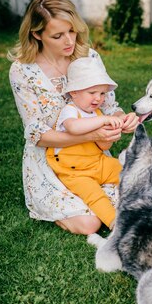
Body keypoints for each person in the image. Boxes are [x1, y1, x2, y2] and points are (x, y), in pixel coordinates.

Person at [8, 0, 138, 235]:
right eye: (57, 36)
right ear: (37, 34)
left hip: (93, 157)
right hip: (50, 159)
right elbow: (38, 135)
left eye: (72, 31)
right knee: (90, 224)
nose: (69, 41)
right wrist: (92, 134)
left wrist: (123, 120)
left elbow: (110, 107)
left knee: (135, 190)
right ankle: (55, 207)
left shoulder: (88, 57)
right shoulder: (23, 71)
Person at [46, 57, 127, 230]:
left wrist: (109, 136)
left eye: (102, 93)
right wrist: (104, 119)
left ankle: (141, 202)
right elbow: (74, 128)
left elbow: (103, 147)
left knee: (125, 172)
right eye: (92, 93)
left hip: (97, 162)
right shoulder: (71, 110)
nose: (98, 98)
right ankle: (115, 223)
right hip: (74, 171)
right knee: (94, 194)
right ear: (74, 92)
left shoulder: (96, 113)